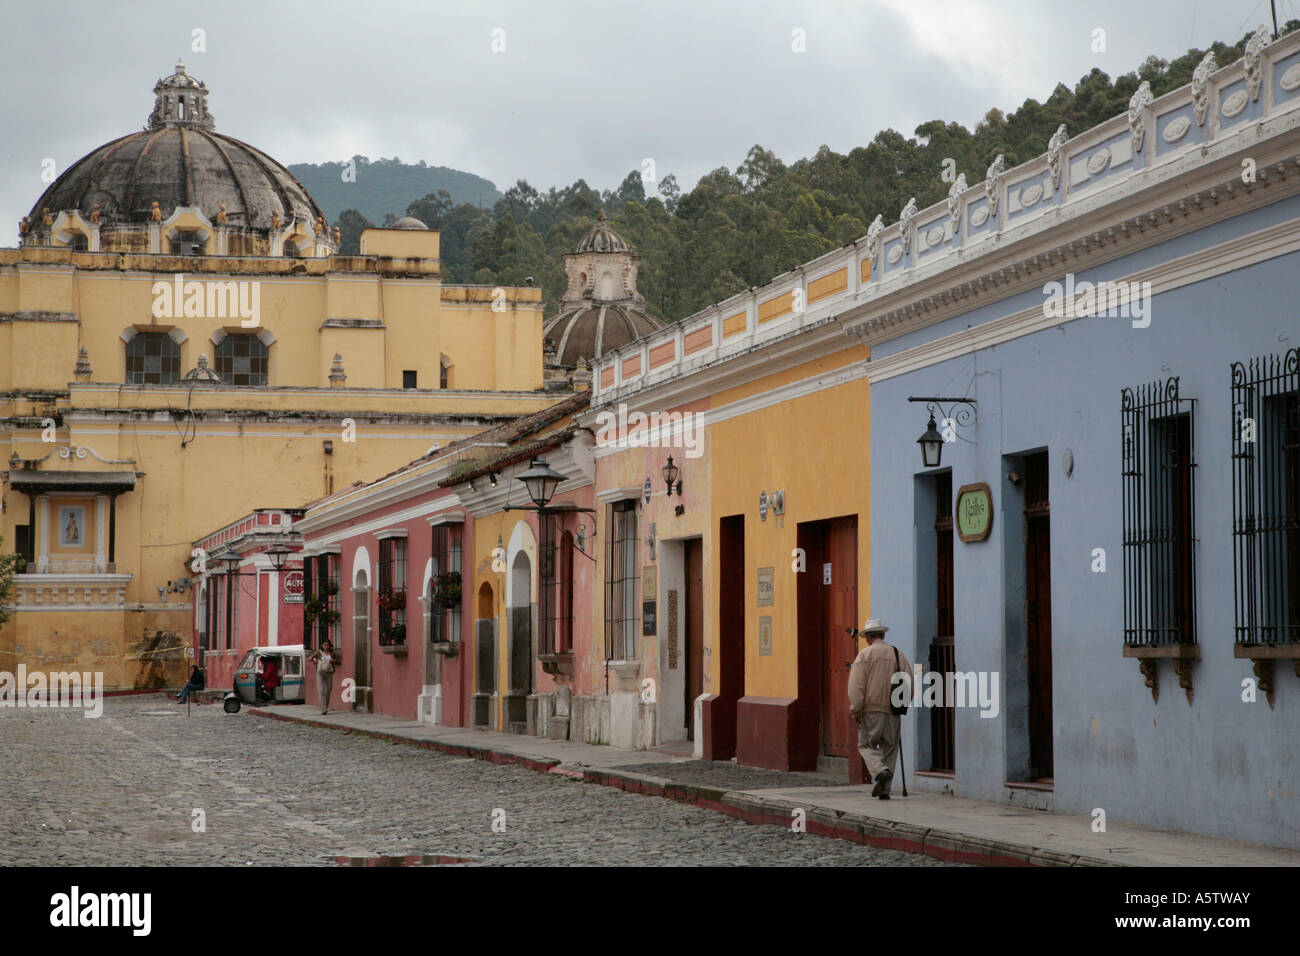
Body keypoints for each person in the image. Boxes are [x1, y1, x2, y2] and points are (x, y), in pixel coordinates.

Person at [848, 619, 912, 799]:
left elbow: (856, 686)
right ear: (882, 635)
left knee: (865, 744)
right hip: (893, 709)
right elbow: (908, 681)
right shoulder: (897, 654)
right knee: (890, 748)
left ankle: (880, 770)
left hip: (870, 710)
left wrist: (856, 710)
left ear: (868, 637)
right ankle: (885, 789)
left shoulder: (864, 655)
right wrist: (903, 704)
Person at [307, 640, 336, 715]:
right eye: (325, 645)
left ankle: (325, 706)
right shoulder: (319, 652)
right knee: (321, 690)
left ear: (330, 646)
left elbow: (338, 661)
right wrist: (314, 659)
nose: (326, 646)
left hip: (329, 672)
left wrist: (332, 660)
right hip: (320, 673)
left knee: (328, 690)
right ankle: (323, 709)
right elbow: (309, 658)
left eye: (328, 645)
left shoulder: (332, 652)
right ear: (322, 645)